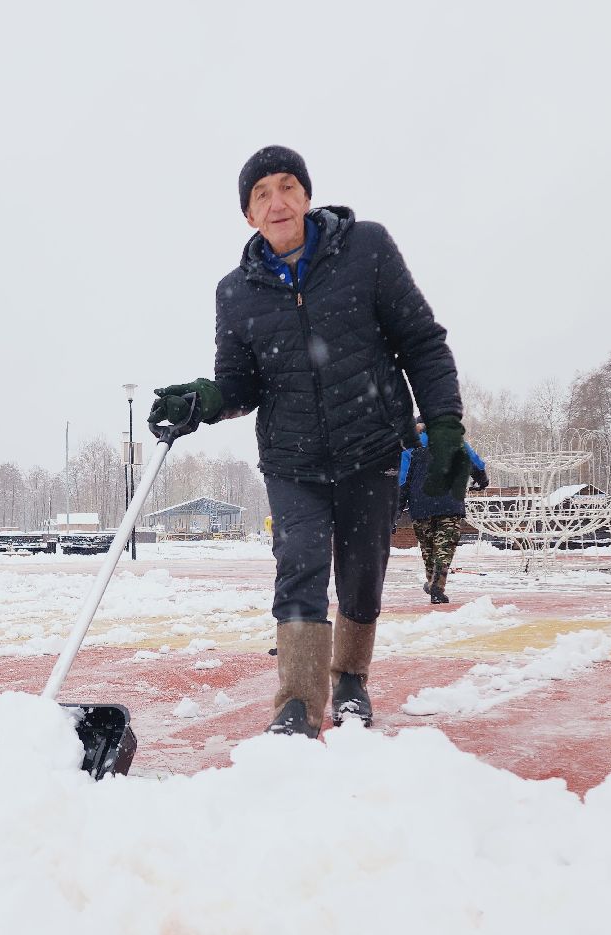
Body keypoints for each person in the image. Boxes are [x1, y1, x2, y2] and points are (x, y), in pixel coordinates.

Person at [150, 145, 469, 736]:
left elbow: (422, 342)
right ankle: (297, 701)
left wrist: (444, 423)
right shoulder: (234, 292)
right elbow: (238, 383)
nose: (277, 202)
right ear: (248, 215)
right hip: (292, 459)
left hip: (370, 447)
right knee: (297, 565)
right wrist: (205, 399)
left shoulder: (366, 249)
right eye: (261, 194)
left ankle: (350, 679)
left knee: (360, 571)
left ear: (307, 195)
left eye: (288, 186)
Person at [400, 421, 488, 604]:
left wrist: (396, 510)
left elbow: (402, 480)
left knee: (428, 548)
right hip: (449, 502)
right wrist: (481, 478)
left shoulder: (410, 445)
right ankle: (437, 587)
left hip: (420, 504)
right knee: (444, 547)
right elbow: (474, 462)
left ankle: (433, 582)